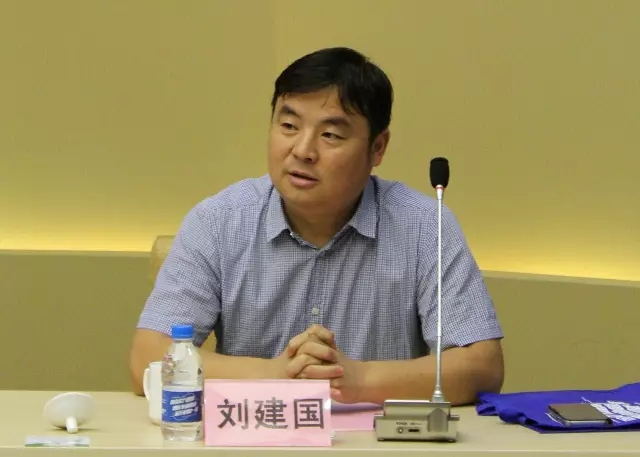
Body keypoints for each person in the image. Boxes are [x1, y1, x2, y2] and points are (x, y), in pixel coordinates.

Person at [129, 46, 504, 405]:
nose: (303, 150)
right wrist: (275, 376)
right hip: (254, 437)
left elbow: (482, 365)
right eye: (289, 125)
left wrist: (359, 380)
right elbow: (148, 357)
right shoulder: (218, 221)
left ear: (377, 148)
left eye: (330, 135)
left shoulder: (423, 225)